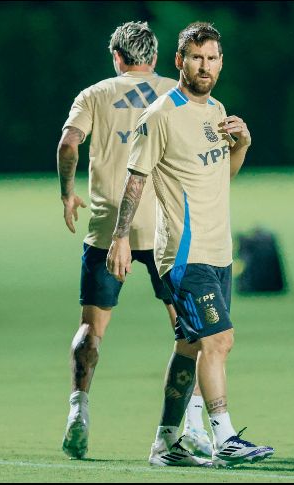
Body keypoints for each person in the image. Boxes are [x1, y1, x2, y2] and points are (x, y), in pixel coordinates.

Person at [107, 22, 274, 467]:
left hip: (219, 253)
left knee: (190, 346)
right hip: (184, 253)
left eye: (212, 58)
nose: (205, 66)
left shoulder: (216, 110)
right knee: (219, 340)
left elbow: (221, 177)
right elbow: (135, 181)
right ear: (180, 61)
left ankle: (165, 445)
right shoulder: (160, 115)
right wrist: (121, 238)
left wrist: (242, 145)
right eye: (197, 58)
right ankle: (224, 436)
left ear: (221, 63)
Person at [57, 21, 212, 462]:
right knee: (189, 331)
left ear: (117, 57)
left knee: (91, 328)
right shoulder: (175, 93)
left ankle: (78, 410)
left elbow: (68, 144)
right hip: (168, 227)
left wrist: (67, 193)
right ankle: (191, 426)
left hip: (109, 229)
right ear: (156, 57)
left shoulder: (94, 94)